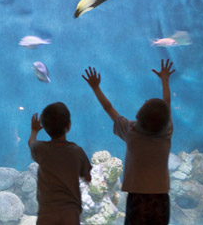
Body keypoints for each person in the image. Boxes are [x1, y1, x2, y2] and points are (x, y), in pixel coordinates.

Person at [82, 59, 176, 225]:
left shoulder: (131, 132)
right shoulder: (166, 132)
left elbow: (108, 108)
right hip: (160, 196)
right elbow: (167, 103)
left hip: (137, 196)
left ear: (139, 116)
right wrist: (165, 80)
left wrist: (96, 87)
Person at [28, 102, 93, 225]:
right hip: (70, 211)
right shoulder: (76, 151)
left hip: (47, 211)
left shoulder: (41, 149)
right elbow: (88, 177)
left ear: (45, 128)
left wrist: (34, 130)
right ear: (68, 126)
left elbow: (31, 143)